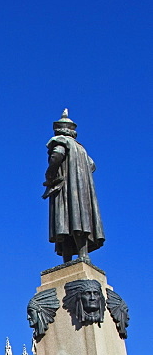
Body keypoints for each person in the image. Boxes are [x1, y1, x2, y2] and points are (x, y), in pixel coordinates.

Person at [43, 110, 105, 263]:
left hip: (64, 187)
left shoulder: (60, 141)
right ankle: (83, 255)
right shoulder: (81, 149)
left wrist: (50, 174)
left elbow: (56, 155)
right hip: (82, 192)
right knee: (79, 220)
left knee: (65, 221)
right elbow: (92, 165)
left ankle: (67, 259)